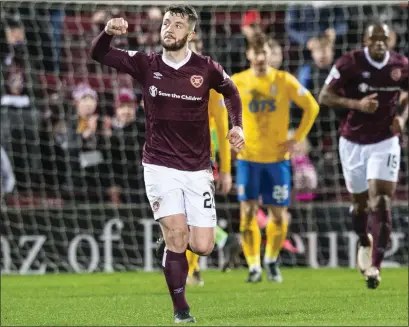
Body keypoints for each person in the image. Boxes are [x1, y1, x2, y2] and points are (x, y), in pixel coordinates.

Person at [90, 5, 244, 323]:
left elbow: (232, 93)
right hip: (159, 165)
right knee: (177, 236)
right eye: (166, 23)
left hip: (198, 168)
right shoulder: (146, 63)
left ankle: (173, 239)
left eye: (177, 24)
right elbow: (100, 55)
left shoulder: (207, 68)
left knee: (202, 245)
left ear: (191, 33)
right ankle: (181, 309)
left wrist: (237, 125)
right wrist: (106, 32)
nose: (169, 29)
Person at [319, 21, 408, 289]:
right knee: (360, 206)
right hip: (353, 142)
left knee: (380, 200)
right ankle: (363, 240)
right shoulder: (349, 63)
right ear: (365, 41)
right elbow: (324, 96)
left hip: (385, 141)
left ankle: (375, 268)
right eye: (374, 39)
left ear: (390, 40)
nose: (380, 43)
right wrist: (357, 104)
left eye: (384, 38)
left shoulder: (401, 64)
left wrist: (402, 117)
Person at [232, 33, 319, 283]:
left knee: (279, 216)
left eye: (264, 52)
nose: (260, 57)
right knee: (247, 214)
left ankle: (270, 259)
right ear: (249, 54)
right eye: (256, 52)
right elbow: (214, 105)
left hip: (278, 159)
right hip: (248, 158)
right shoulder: (237, 81)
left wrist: (298, 137)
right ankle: (253, 266)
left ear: (271, 55)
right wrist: (231, 132)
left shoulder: (284, 80)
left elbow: (312, 107)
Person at [184, 34, 240, 286]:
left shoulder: (211, 85)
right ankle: (221, 243)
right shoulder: (168, 80)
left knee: (190, 215)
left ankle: (191, 270)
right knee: (185, 216)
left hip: (199, 154)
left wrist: (226, 170)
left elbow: (222, 126)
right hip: (172, 152)